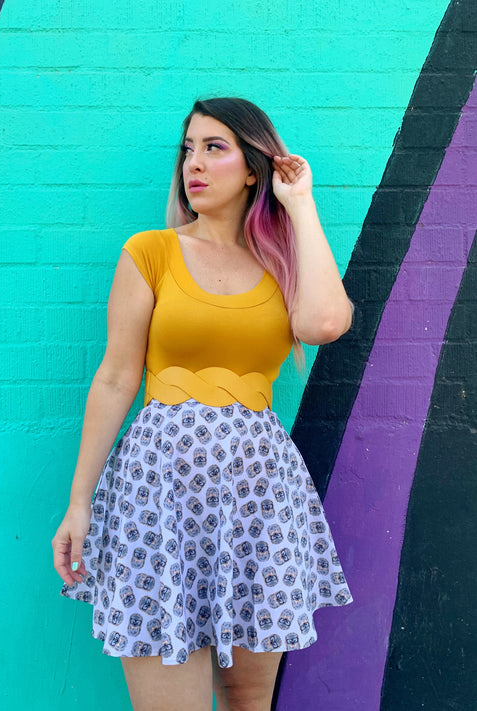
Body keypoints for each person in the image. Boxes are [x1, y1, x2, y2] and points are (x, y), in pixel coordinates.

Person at [52, 97, 353, 711]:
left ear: (253, 168)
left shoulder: (284, 263)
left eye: (214, 148)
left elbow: (324, 323)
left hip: (258, 498)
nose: (194, 163)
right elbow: (115, 378)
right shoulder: (152, 253)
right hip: (157, 495)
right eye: (188, 149)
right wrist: (79, 501)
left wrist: (299, 204)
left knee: (247, 699)